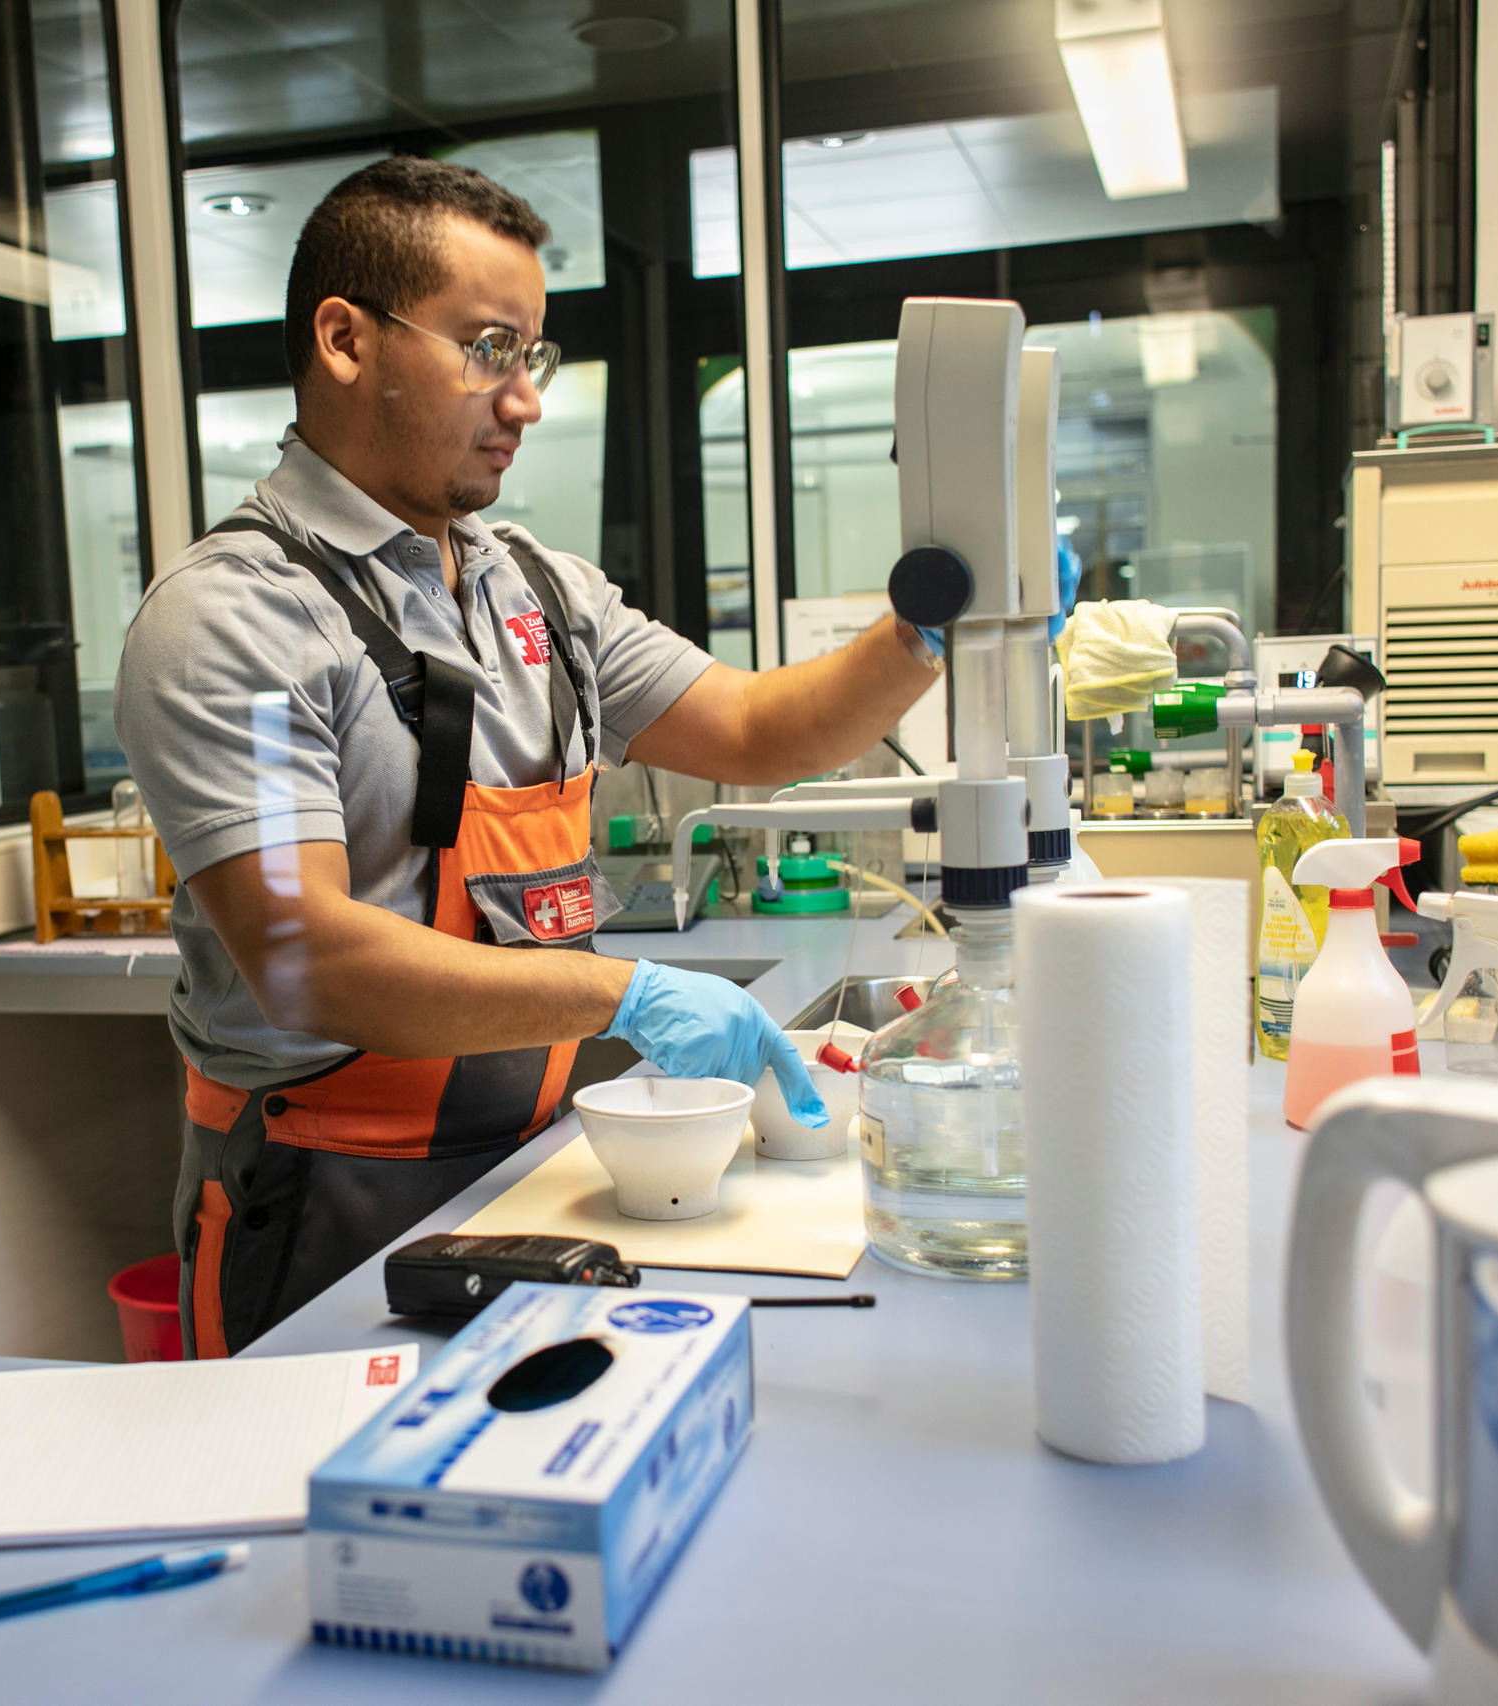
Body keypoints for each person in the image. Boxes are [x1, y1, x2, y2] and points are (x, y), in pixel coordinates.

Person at [115, 157, 949, 1356]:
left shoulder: (536, 591)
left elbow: (763, 732)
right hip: (317, 1202)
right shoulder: (235, 616)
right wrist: (628, 992)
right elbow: (309, 959)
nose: (526, 400)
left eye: (534, 357)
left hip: (531, 1173)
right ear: (345, 340)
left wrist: (925, 625)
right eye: (488, 349)